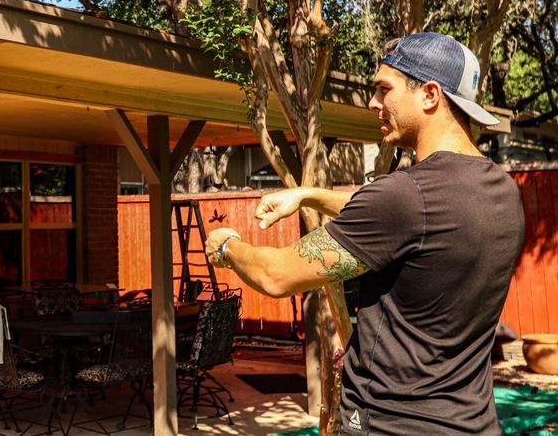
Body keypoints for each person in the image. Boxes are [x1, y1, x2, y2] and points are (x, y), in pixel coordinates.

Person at [206, 32, 524, 435]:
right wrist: (310, 196)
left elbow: (276, 274)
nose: (373, 102)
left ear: (429, 94)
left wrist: (228, 247)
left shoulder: (406, 197)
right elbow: (403, 221)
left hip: (393, 425)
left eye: (383, 89)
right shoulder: (501, 191)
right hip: (473, 423)